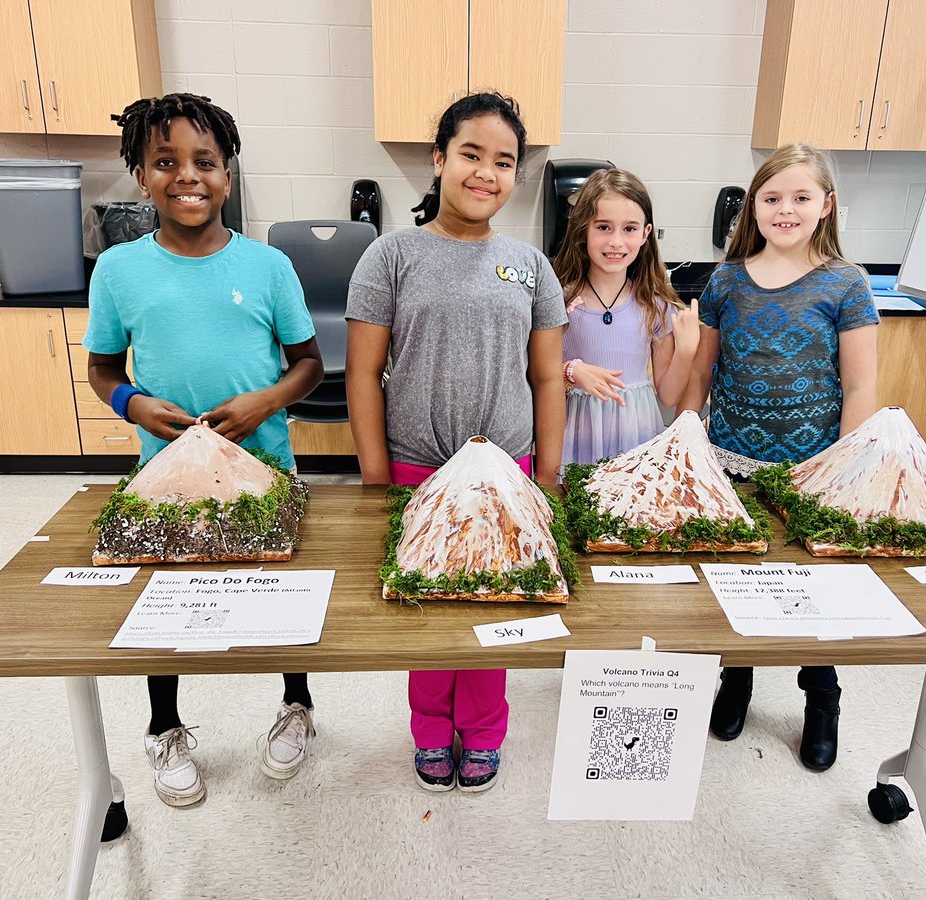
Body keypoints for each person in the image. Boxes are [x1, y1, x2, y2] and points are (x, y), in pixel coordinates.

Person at [83, 93, 324, 807]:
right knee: (167, 597)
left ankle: (296, 704)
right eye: (165, 162)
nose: (187, 176)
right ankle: (165, 724)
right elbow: (101, 369)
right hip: (166, 474)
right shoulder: (119, 271)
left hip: (265, 469)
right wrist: (132, 401)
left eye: (205, 162)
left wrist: (265, 401)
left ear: (227, 173)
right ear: (140, 174)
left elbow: (308, 363)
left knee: (273, 591)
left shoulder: (270, 265)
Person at [345, 92, 566, 793]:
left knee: (494, 606)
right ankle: (431, 731)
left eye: (504, 162)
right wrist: (377, 478)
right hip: (417, 467)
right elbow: (362, 372)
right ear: (439, 160)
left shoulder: (530, 264)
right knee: (428, 612)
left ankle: (485, 731)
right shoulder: (391, 256)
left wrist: (550, 476)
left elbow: (548, 377)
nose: (486, 173)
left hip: (509, 470)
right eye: (471, 154)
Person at [680, 143, 879, 772]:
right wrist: (682, 438)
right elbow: (701, 372)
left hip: (812, 470)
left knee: (816, 591)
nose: (785, 210)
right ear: (753, 207)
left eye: (800, 197)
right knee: (740, 580)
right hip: (730, 462)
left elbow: (860, 387)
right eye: (772, 198)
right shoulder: (727, 280)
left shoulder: (846, 282)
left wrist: (845, 469)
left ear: (826, 205)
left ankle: (822, 700)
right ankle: (735, 680)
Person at [551, 167, 698, 464]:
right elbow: (536, 373)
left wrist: (686, 350)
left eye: (629, 229)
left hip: (638, 433)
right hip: (577, 430)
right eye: (603, 227)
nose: (616, 242)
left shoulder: (654, 305)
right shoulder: (559, 301)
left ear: (645, 234)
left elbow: (668, 396)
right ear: (583, 229)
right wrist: (571, 371)